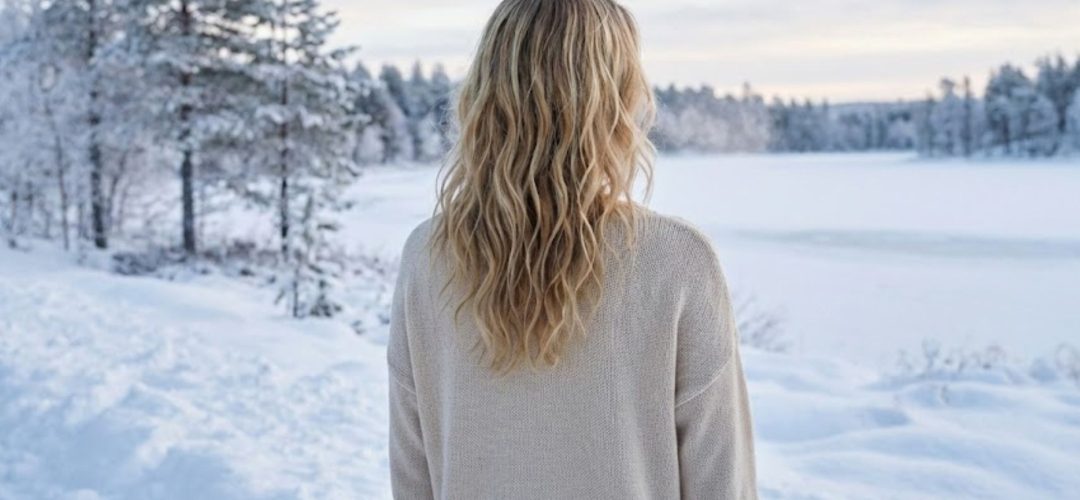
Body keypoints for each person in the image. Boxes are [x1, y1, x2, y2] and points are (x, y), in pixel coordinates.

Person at [386, 0, 757, 498]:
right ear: (617, 102)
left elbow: (413, 478)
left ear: (485, 95)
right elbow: (721, 483)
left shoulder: (426, 257)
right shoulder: (676, 261)